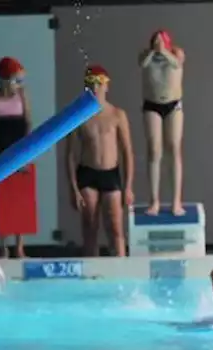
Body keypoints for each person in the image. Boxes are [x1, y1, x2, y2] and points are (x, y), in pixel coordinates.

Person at [66, 65, 135, 258]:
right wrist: (73, 188)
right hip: (87, 174)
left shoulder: (117, 115)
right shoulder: (78, 116)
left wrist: (128, 186)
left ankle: (121, 272)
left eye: (99, 84)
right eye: (91, 84)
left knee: (115, 229)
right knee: (89, 227)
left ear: (107, 86)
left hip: (110, 174)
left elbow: (127, 152)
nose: (95, 89)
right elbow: (70, 155)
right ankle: (91, 276)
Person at [0, 57, 34, 259]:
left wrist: (26, 155)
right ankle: (3, 247)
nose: (19, 84)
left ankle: (19, 247)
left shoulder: (22, 95)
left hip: (21, 151)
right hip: (2, 152)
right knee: (4, 200)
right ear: (5, 79)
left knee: (21, 200)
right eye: (16, 79)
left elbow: (29, 124)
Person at [139, 30, 187, 216]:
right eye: (155, 40)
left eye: (161, 40)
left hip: (174, 105)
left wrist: (164, 52)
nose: (158, 43)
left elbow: (177, 65)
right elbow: (142, 64)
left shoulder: (177, 53)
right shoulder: (145, 55)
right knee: (154, 150)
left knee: (174, 148)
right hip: (152, 105)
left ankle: (176, 201)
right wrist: (154, 51)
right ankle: (154, 201)